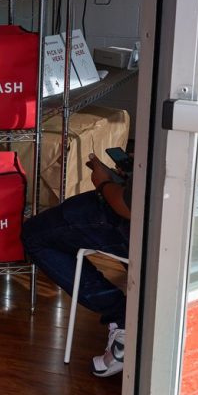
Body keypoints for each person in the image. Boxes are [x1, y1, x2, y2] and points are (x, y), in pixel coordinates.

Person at [21, 152, 131, 377]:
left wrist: (104, 183)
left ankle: (122, 317)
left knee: (35, 234)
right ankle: (133, 315)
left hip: (132, 225)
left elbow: (128, 206)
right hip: (172, 234)